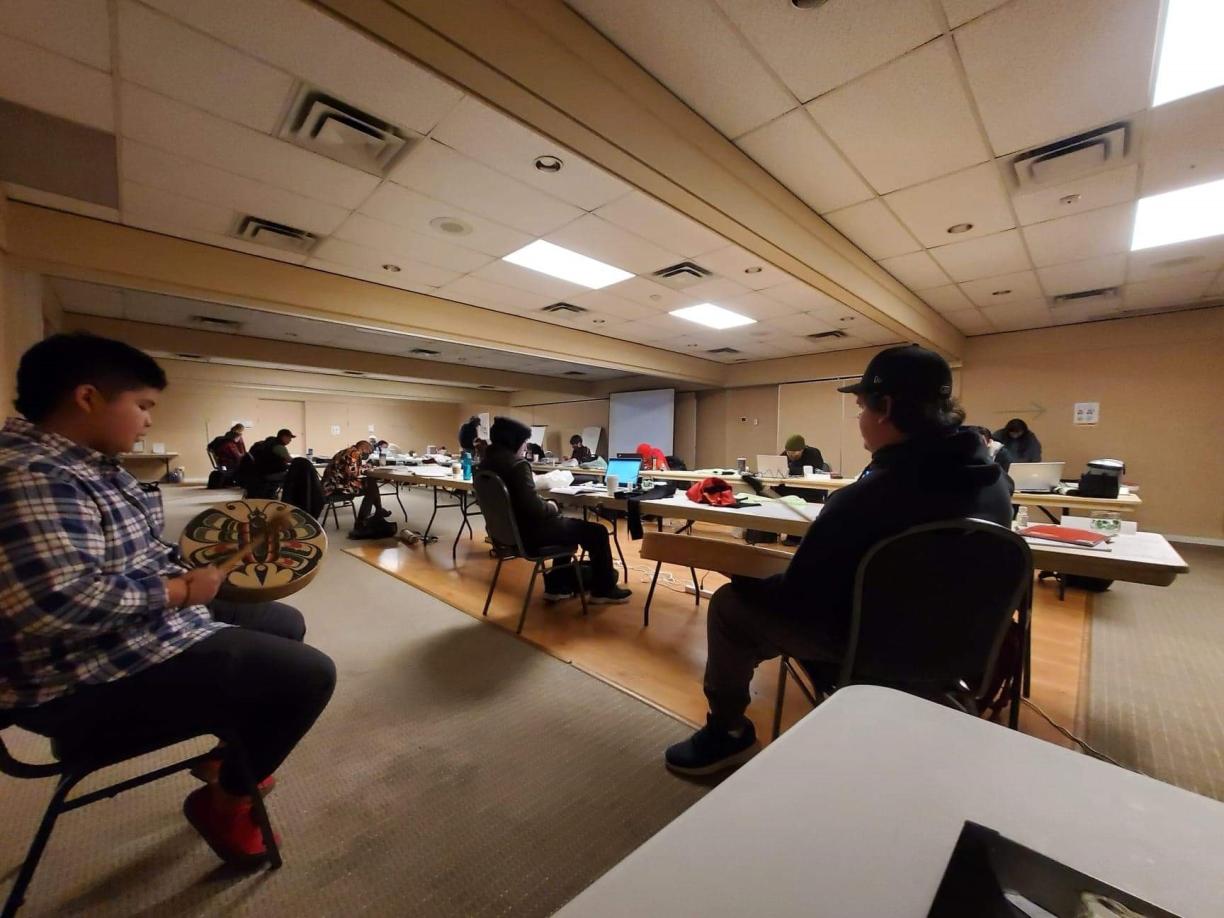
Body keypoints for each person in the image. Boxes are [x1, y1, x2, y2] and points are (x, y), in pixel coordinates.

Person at [0, 332, 335, 866]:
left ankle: (230, 755)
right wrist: (180, 589)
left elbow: (127, 553)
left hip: (125, 629)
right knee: (309, 674)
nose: (149, 420)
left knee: (283, 621)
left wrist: (185, 570)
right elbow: (56, 604)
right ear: (87, 398)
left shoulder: (84, 463)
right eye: (143, 405)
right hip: (75, 675)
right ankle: (224, 802)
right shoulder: (35, 475)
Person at [664, 345, 1013, 776]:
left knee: (730, 606)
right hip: (959, 651)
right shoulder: (997, 488)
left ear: (884, 408)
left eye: (861, 408)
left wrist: (748, 576)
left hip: (871, 649)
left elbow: (800, 601)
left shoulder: (864, 499)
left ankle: (728, 731)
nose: (860, 421)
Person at [479, 416, 630, 603]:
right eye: (525, 442)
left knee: (566, 526)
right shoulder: (517, 466)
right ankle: (603, 590)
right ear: (515, 441)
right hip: (531, 534)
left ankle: (558, 587)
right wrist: (551, 506)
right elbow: (534, 509)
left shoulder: (484, 466)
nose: (526, 447)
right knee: (597, 531)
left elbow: (519, 502)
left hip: (506, 535)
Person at [321, 439, 388, 525]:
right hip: (337, 487)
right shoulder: (354, 453)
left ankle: (376, 512)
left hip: (330, 484)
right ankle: (362, 521)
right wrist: (366, 470)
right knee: (371, 486)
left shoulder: (347, 451)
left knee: (370, 484)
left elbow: (348, 467)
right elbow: (353, 474)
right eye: (368, 452)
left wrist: (362, 466)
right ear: (363, 448)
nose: (368, 455)